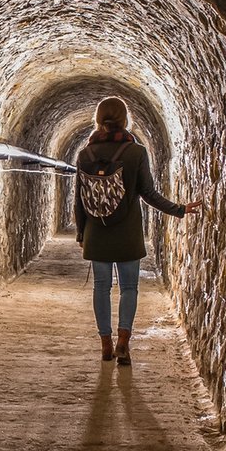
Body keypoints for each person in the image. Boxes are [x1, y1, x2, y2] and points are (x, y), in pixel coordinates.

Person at [75, 96, 202, 365]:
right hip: (128, 231)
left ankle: (105, 344)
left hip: (97, 231)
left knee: (100, 287)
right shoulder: (136, 152)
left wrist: (81, 234)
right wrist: (180, 209)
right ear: (125, 120)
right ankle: (124, 340)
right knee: (129, 287)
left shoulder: (84, 155)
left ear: (98, 120)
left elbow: (79, 199)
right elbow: (148, 194)